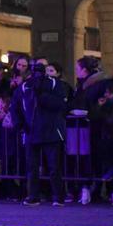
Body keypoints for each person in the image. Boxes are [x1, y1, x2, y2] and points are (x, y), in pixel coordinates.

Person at [12, 63, 68, 206]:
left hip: (51, 130)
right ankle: (33, 195)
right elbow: (16, 106)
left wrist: (41, 96)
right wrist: (20, 125)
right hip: (32, 130)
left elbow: (60, 104)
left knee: (53, 166)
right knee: (33, 166)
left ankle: (57, 196)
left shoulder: (54, 84)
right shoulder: (25, 87)